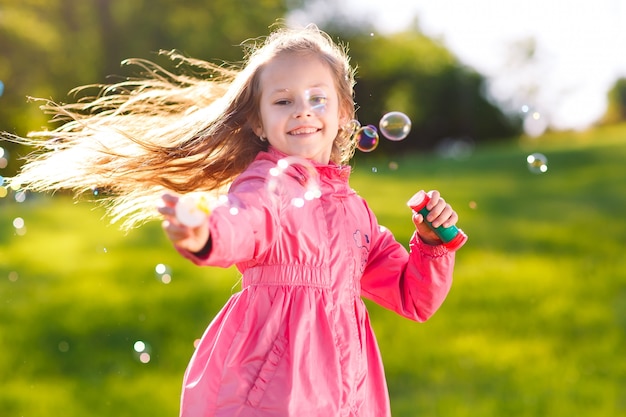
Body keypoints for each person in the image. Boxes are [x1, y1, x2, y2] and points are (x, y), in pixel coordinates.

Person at [5, 24, 461, 417]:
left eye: (317, 98)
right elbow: (243, 221)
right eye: (282, 101)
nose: (302, 109)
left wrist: (431, 246)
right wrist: (206, 233)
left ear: (343, 114)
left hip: (348, 391)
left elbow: (412, 297)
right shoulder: (271, 183)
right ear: (259, 124)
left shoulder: (356, 211)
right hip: (275, 386)